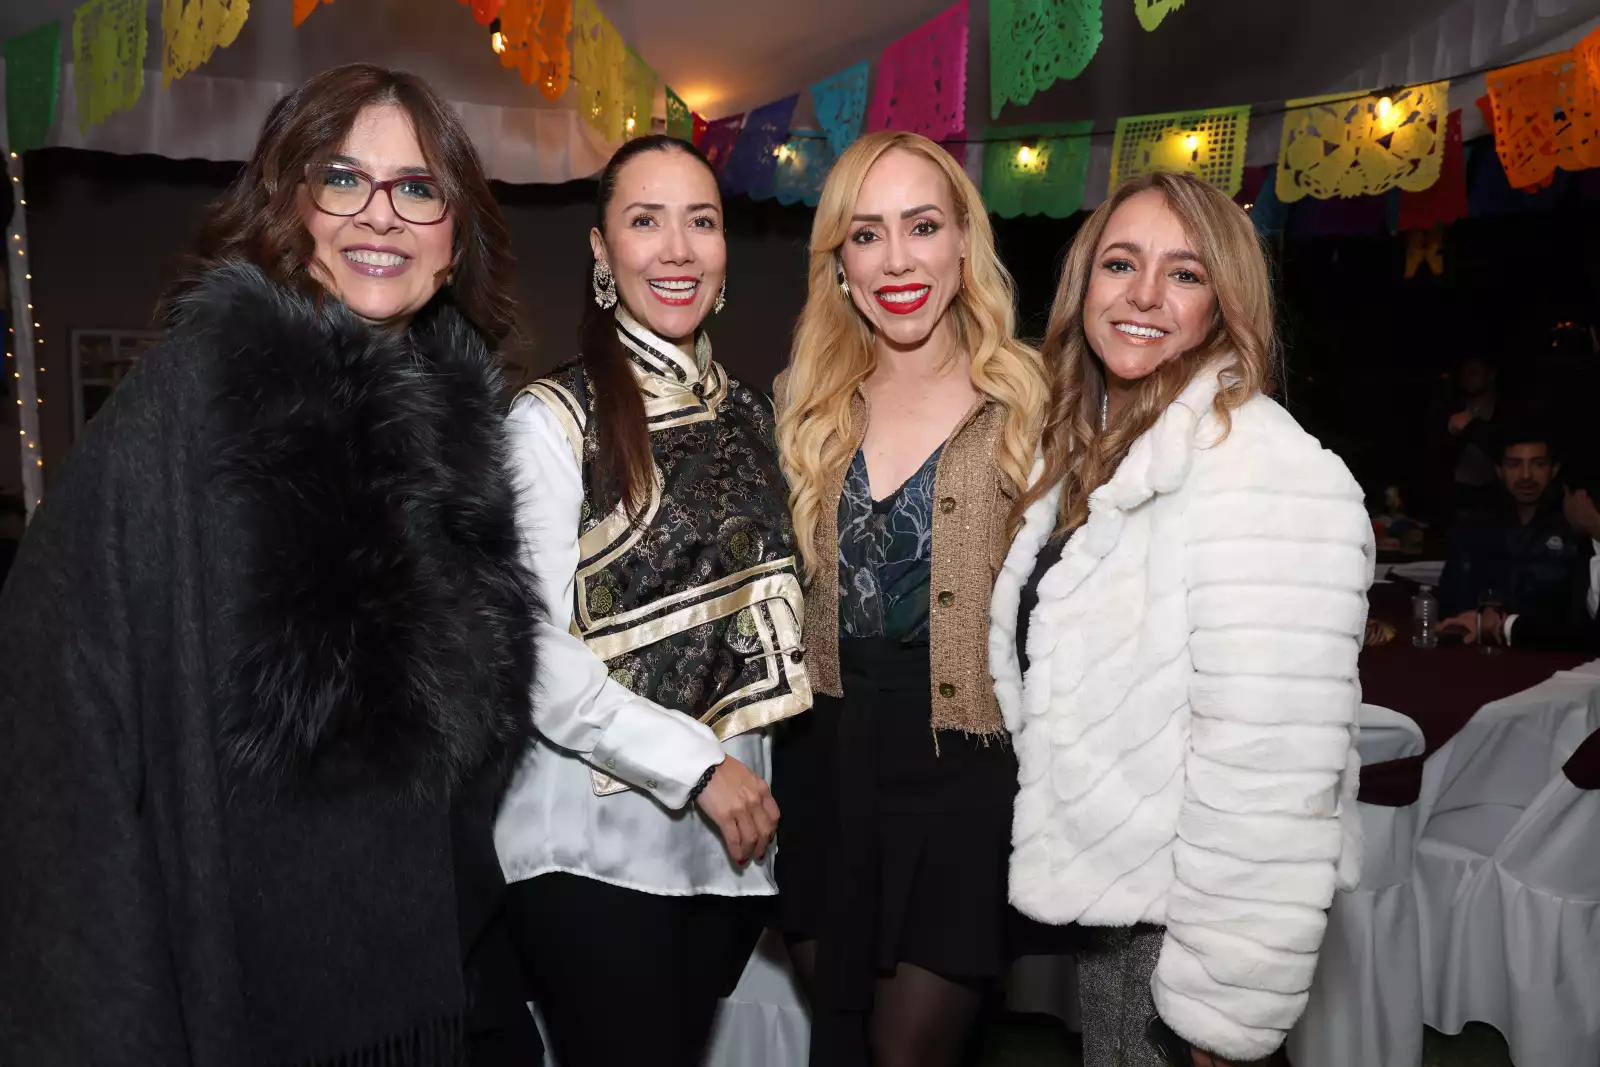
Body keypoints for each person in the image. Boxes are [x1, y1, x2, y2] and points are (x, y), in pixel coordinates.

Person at [0, 65, 544, 1066]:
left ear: (454, 238)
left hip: (442, 965)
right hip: (253, 983)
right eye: (343, 178)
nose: (380, 214)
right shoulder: (198, 392)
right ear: (290, 205)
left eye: (418, 188)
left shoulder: (459, 433)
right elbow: (58, 685)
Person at [989, 172, 1372, 1067]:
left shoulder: (1266, 470)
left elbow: (1273, 767)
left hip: (1191, 933)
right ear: (1085, 282)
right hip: (1127, 914)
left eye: (1185, 273)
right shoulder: (1086, 452)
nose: (1145, 294)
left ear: (1224, 303)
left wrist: (1225, 1005)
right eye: (1121, 263)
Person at [494, 134, 810, 1067]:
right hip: (591, 844)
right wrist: (699, 767)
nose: (677, 249)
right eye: (646, 221)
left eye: (700, 222)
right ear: (603, 250)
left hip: (724, 855)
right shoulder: (549, 419)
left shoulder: (754, 415)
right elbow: (528, 650)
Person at [771, 130, 1050, 1067]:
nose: (896, 260)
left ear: (964, 239)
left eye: (922, 226)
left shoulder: (1033, 404)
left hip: (966, 768)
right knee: (840, 1043)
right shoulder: (803, 403)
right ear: (839, 263)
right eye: (866, 234)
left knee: (909, 1053)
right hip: (822, 761)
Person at [1438, 429, 1600, 649]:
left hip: (1557, 652)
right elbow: (1451, 602)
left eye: (1538, 464)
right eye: (1514, 464)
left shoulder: (1576, 526)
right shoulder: (1473, 525)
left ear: (1554, 469)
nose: (1526, 475)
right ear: (1499, 470)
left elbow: (1584, 621)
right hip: (1480, 648)